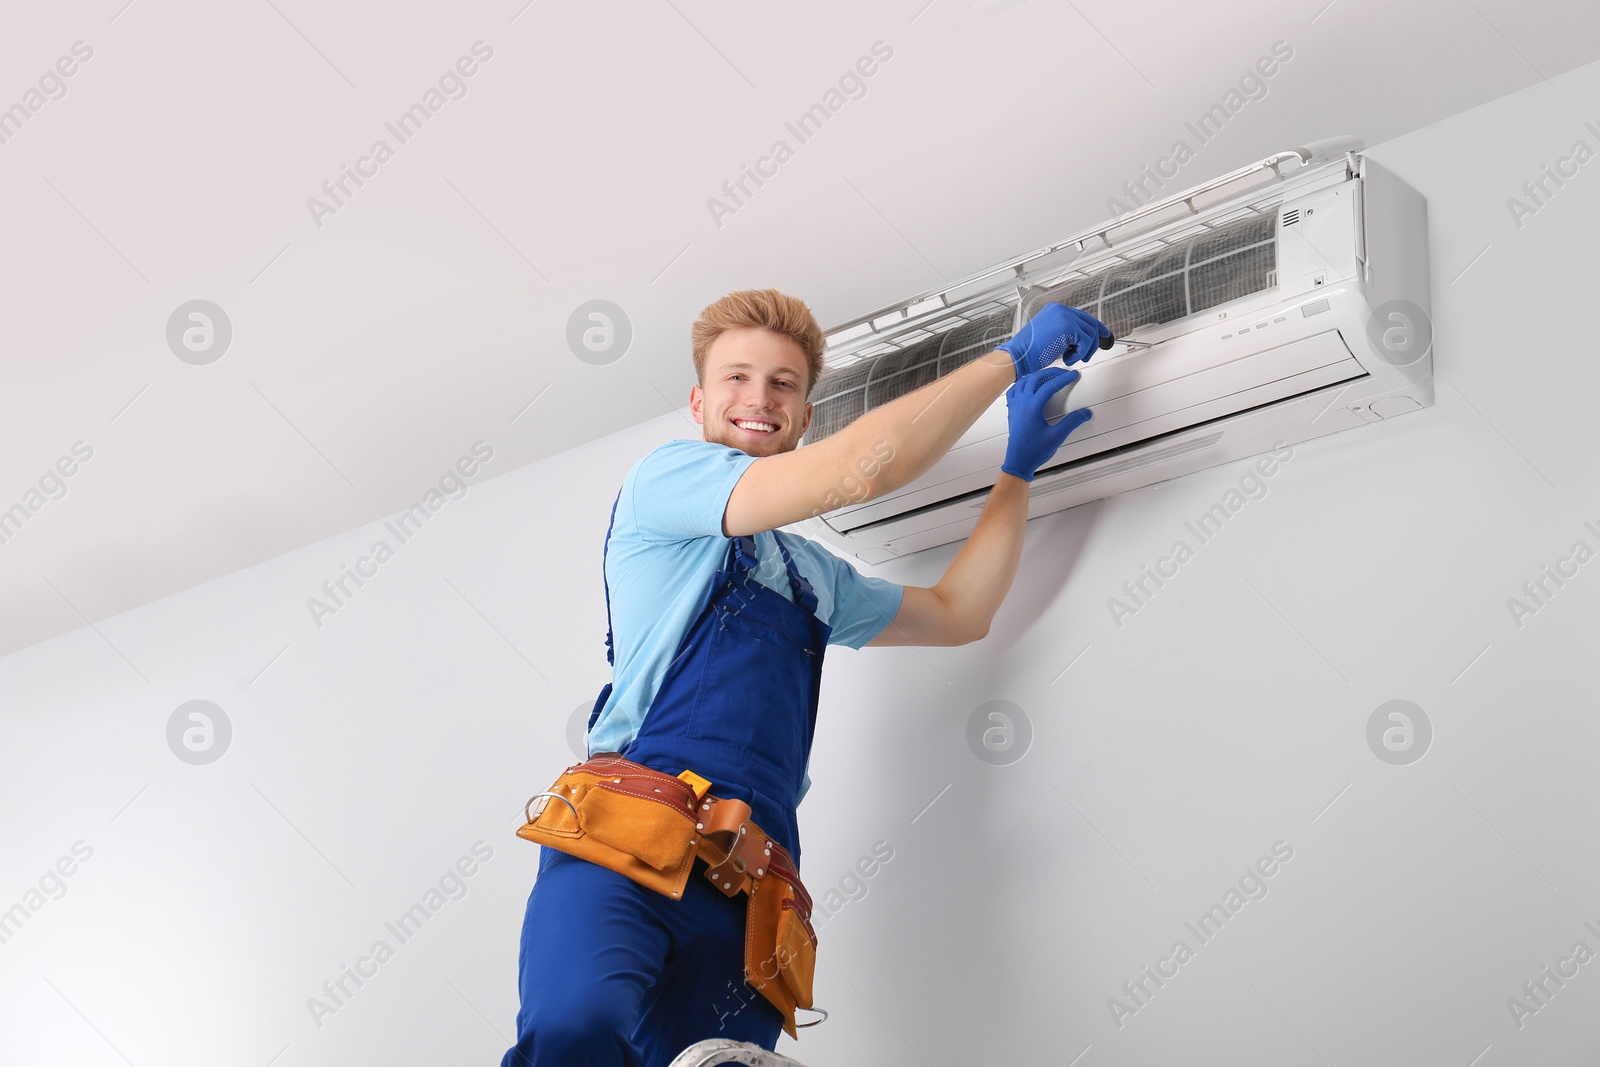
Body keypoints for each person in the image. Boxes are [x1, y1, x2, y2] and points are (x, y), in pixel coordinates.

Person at [501, 288, 1107, 1066]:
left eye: (783, 384)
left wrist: (1015, 473)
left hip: (749, 886)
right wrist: (1012, 356)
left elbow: (961, 611)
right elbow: (859, 471)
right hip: (628, 842)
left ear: (804, 413)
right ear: (698, 401)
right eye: (737, 378)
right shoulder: (668, 484)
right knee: (573, 1029)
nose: (760, 399)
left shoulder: (817, 576)